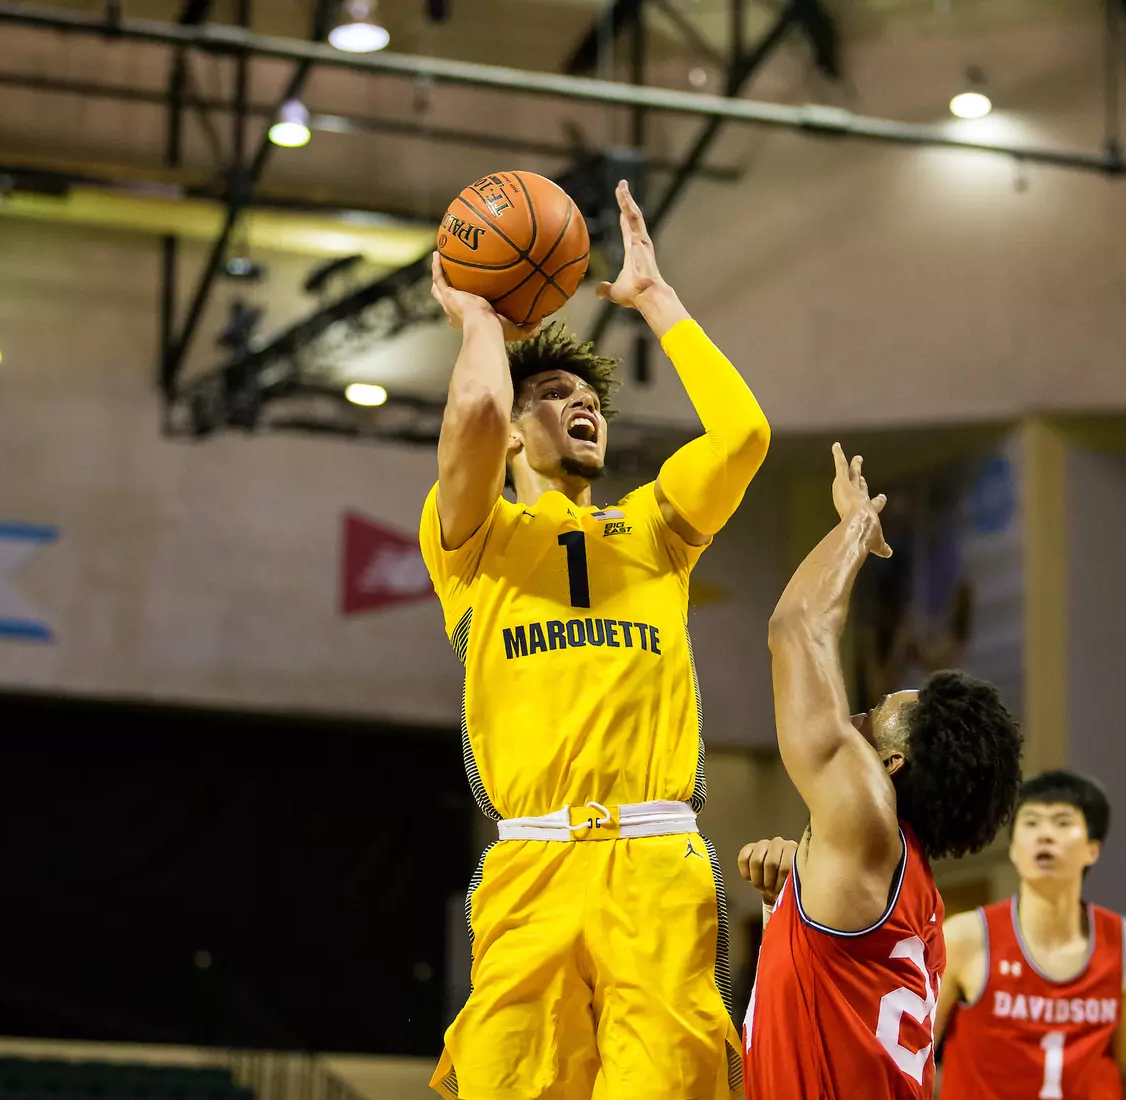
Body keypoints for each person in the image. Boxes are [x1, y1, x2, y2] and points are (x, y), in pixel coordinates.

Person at [420, 179, 770, 1100]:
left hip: (655, 859)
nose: (579, 404)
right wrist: (481, 318)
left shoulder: (656, 529)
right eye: (552, 394)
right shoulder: (473, 540)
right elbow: (475, 417)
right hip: (530, 862)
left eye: (588, 396)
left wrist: (657, 299)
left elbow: (742, 436)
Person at [737, 444, 1024, 1098]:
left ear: (891, 764)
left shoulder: (868, 821)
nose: (858, 713)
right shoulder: (904, 885)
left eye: (878, 713)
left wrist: (856, 530)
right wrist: (795, 900)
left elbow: (797, 629)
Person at [934, 769, 1126, 1100]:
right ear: (1013, 849)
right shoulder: (965, 938)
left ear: (1093, 850)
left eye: (1062, 822)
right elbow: (914, 1056)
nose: (1045, 835)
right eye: (1032, 822)